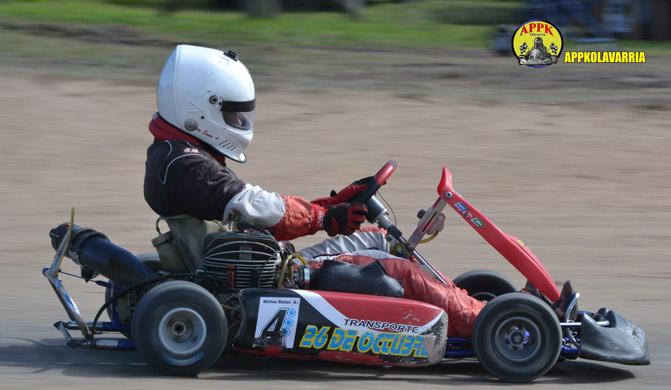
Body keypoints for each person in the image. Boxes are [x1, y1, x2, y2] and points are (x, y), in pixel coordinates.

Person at [143, 44, 484, 338]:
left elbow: (259, 218)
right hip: (272, 277)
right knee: (397, 271)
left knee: (383, 240)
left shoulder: (178, 154)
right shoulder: (186, 166)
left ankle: (474, 306)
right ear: (198, 107)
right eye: (231, 114)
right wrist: (322, 217)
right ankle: (484, 323)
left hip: (257, 259)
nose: (239, 122)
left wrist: (331, 208)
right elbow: (255, 206)